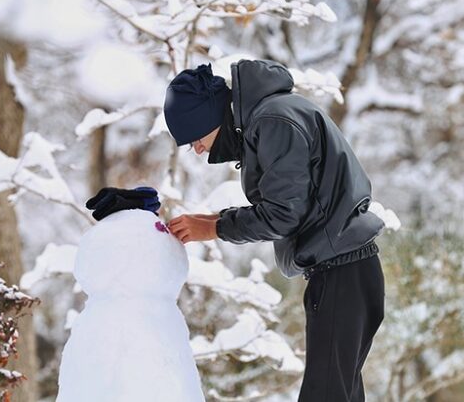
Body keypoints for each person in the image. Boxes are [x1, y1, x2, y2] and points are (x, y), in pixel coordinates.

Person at [163, 59, 385, 402]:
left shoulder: (272, 121)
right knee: (339, 394)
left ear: (208, 117)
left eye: (194, 137)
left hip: (342, 272)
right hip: (345, 269)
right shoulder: (272, 116)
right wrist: (213, 221)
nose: (197, 148)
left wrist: (217, 228)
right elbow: (292, 204)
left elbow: (283, 215)